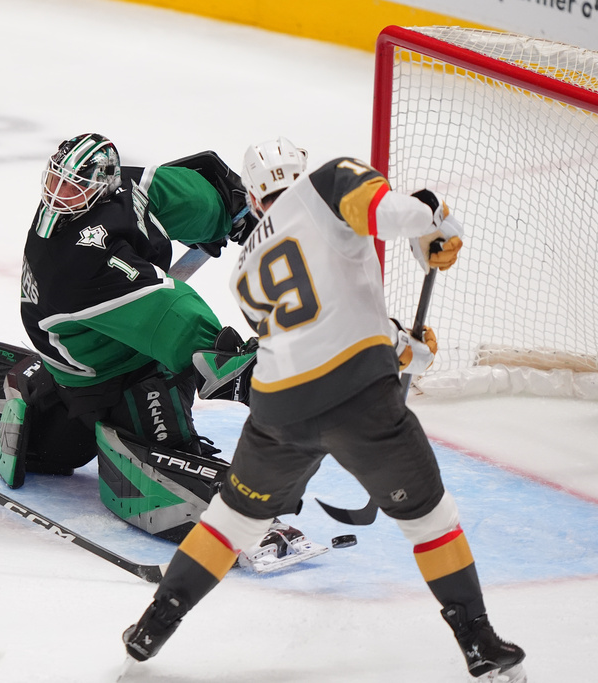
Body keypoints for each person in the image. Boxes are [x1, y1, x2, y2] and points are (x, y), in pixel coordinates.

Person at [122, 138, 526, 682]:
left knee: (232, 521)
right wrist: (433, 216)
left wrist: (405, 346)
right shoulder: (330, 183)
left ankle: (153, 626)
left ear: (253, 198)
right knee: (431, 519)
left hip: (278, 409)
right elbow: (391, 215)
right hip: (358, 396)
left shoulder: (244, 268)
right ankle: (476, 640)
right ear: (302, 171)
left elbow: (316, 326)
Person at [0, 131, 325, 563]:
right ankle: (239, 518)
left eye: (73, 184)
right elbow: (168, 310)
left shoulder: (118, 193)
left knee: (72, 437)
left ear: (105, 184)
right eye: (56, 181)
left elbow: (167, 192)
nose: (59, 193)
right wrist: (233, 366)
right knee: (161, 425)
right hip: (107, 374)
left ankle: (50, 413)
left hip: (81, 344)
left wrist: (229, 209)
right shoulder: (77, 260)